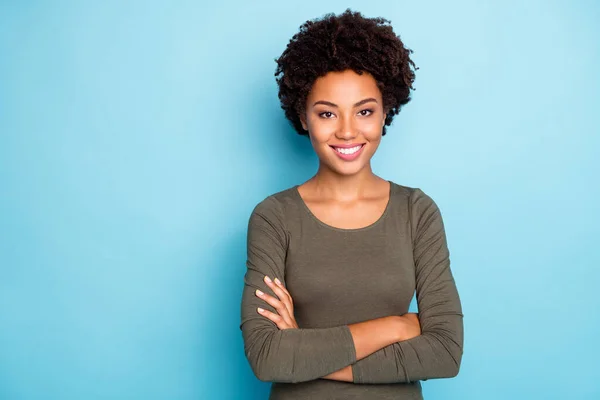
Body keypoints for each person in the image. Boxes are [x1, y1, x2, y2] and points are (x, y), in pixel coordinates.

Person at [239, 9, 464, 400]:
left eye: (364, 111)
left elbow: (445, 352)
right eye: (327, 113)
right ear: (303, 116)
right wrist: (394, 327)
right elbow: (268, 357)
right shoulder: (275, 217)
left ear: (384, 112)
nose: (347, 130)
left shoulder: (416, 212)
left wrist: (305, 355)